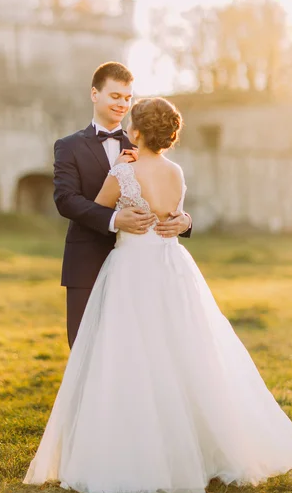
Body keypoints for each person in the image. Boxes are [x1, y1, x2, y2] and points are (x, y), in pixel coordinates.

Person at [24, 96, 292, 493]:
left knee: (131, 356)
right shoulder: (176, 171)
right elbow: (177, 214)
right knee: (183, 351)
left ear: (136, 132)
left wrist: (119, 202)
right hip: (172, 265)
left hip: (131, 268)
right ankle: (199, 446)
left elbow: (98, 211)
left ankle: (135, 448)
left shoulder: (123, 171)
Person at [53, 62, 192, 348]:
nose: (122, 104)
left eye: (128, 98)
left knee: (139, 349)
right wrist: (115, 220)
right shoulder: (68, 146)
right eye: (115, 96)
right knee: (84, 348)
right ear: (95, 94)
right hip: (87, 262)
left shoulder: (145, 139)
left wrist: (186, 221)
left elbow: (166, 198)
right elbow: (66, 200)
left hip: (142, 267)